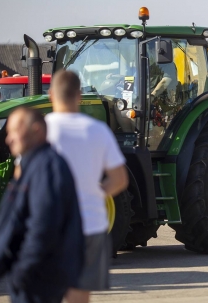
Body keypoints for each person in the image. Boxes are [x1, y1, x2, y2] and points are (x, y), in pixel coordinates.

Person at [46, 70, 129, 303]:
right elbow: (120, 179)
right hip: (91, 225)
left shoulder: (40, 131)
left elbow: (25, 177)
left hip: (53, 225)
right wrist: (95, 193)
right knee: (79, 296)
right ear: (79, 96)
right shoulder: (98, 131)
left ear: (51, 94)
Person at [0, 107, 84, 303]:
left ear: (37, 130)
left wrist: (22, 271)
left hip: (37, 282)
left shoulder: (47, 168)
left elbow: (43, 227)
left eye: (14, 132)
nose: (8, 139)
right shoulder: (31, 167)